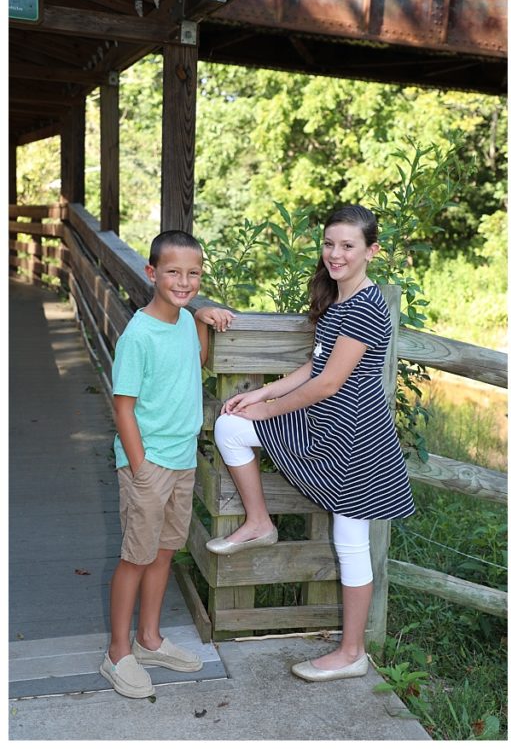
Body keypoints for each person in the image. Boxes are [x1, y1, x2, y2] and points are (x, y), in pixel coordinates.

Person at [207, 204, 415, 681]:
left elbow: (327, 385)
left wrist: (268, 409)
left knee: (351, 542)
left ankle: (351, 653)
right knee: (232, 426)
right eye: (329, 244)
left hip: (355, 438)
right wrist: (262, 391)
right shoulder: (341, 301)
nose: (335, 254)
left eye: (347, 246)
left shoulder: (365, 306)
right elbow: (314, 368)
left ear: (371, 251)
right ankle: (260, 522)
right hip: (327, 428)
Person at [103, 230, 235, 698]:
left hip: (181, 459)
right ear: (152, 273)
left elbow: (196, 358)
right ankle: (118, 653)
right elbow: (123, 407)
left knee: (163, 552)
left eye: (193, 273)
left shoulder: (182, 320)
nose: (184, 280)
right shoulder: (138, 335)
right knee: (135, 557)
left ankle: (149, 639)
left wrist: (200, 313)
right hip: (149, 463)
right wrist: (139, 467)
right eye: (174, 272)